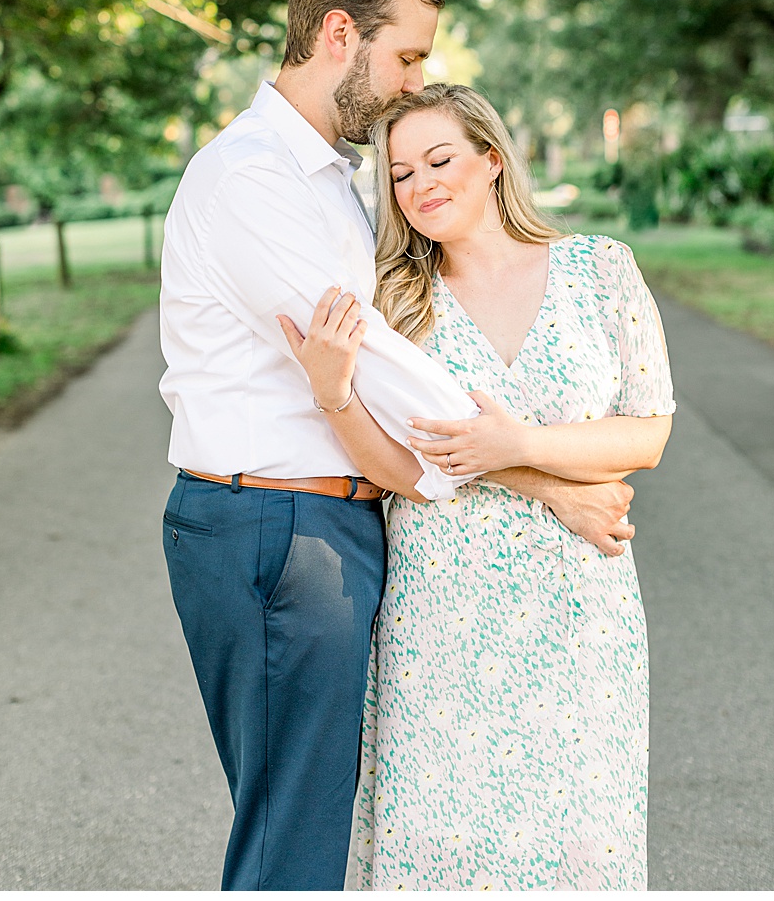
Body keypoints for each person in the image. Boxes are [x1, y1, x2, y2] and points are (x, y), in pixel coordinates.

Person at [157, 0, 634, 891]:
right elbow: (377, 368)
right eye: (409, 56)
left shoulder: (325, 177)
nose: (417, 76)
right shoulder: (251, 179)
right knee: (291, 839)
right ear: (342, 34)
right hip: (271, 526)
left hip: (322, 519)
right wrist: (550, 487)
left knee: (307, 823)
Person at [279, 83, 674, 890]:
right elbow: (400, 470)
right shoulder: (394, 301)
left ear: (491, 160)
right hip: (443, 610)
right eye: (398, 173)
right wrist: (333, 392)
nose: (421, 183)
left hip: (580, 610)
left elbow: (649, 435)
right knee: (443, 847)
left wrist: (516, 443)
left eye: (440, 158)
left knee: (580, 845)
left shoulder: (599, 270)